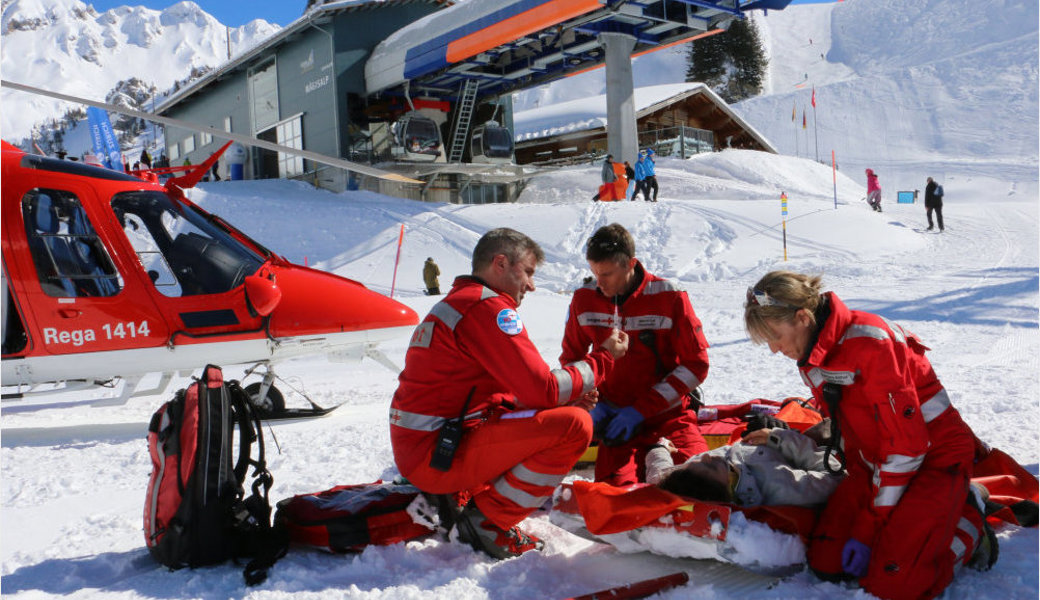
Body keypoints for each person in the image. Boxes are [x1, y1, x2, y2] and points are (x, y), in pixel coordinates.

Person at [743, 271, 997, 600]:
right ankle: (919, 520)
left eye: (775, 336)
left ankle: (970, 519)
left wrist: (868, 527)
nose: (775, 350)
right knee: (826, 561)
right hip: (875, 462)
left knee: (893, 583)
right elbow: (850, 422)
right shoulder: (813, 351)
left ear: (802, 318)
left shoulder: (871, 343)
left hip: (934, 458)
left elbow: (907, 449)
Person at [390, 228, 629, 560]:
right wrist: (602, 359)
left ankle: (477, 501)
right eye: (527, 272)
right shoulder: (486, 308)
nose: (531, 285)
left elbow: (499, 393)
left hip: (431, 448)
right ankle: (487, 523)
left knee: (559, 415)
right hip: (438, 456)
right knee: (574, 426)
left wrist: (561, 399)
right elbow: (542, 388)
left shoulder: (460, 303)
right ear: (500, 263)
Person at [560, 223, 710, 486]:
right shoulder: (584, 299)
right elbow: (571, 358)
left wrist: (641, 410)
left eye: (606, 274)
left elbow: (696, 364)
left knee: (700, 483)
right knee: (616, 496)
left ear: (630, 264)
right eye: (594, 273)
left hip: (668, 417)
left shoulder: (669, 296)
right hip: (614, 421)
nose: (600, 283)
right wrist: (586, 395)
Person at [645, 426, 843, 507]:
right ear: (725, 490)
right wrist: (779, 438)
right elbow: (836, 476)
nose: (705, 457)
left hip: (752, 441)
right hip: (805, 444)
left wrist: (659, 449)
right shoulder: (782, 486)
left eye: (694, 463)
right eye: (712, 467)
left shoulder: (690, 477)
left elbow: (659, 474)